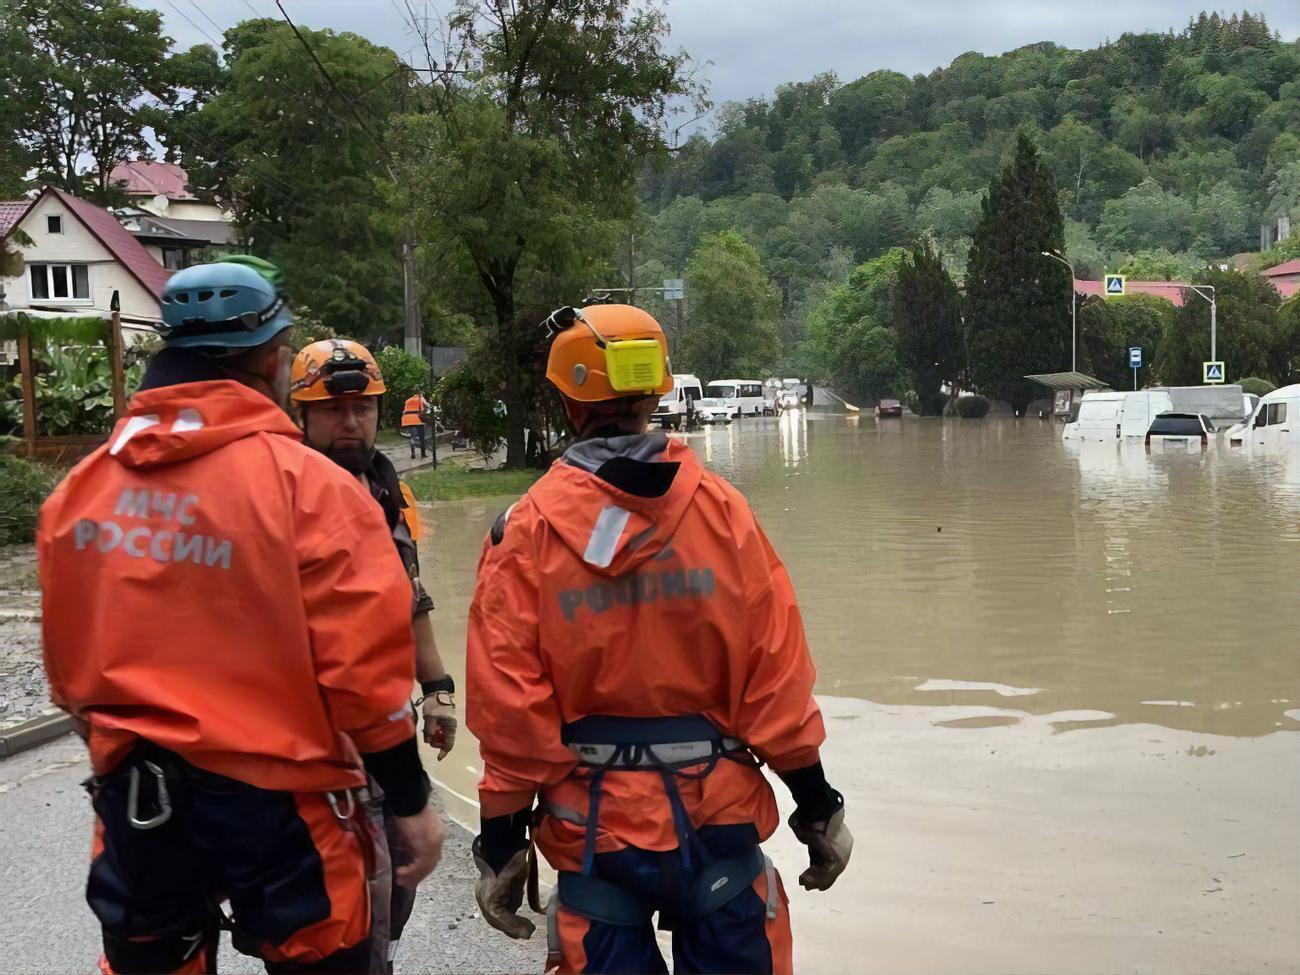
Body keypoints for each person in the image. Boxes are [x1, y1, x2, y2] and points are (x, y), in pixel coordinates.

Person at [37, 257, 443, 975]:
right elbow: (364, 679)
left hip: (141, 799)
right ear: (272, 357)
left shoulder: (81, 490)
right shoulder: (312, 490)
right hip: (284, 808)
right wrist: (409, 800)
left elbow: (70, 672)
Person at [465, 304, 853, 974]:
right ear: (656, 391)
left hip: (595, 838)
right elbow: (775, 681)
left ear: (565, 402)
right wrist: (817, 808)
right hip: (718, 823)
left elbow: (510, 713)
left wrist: (502, 840)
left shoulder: (522, 534)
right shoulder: (723, 513)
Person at [289, 338, 458, 971]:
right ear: (301, 415)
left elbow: (408, 598)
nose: (351, 421)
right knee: (335, 919)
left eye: (363, 407)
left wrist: (437, 687)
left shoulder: (387, 491)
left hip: (383, 734)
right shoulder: (284, 496)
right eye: (335, 411)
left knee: (393, 893)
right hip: (311, 746)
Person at [401, 391, 432, 460]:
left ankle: (413, 454)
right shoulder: (420, 399)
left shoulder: (408, 400)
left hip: (407, 419)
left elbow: (404, 411)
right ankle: (423, 454)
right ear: (420, 394)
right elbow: (422, 410)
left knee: (413, 436)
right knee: (421, 436)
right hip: (416, 419)